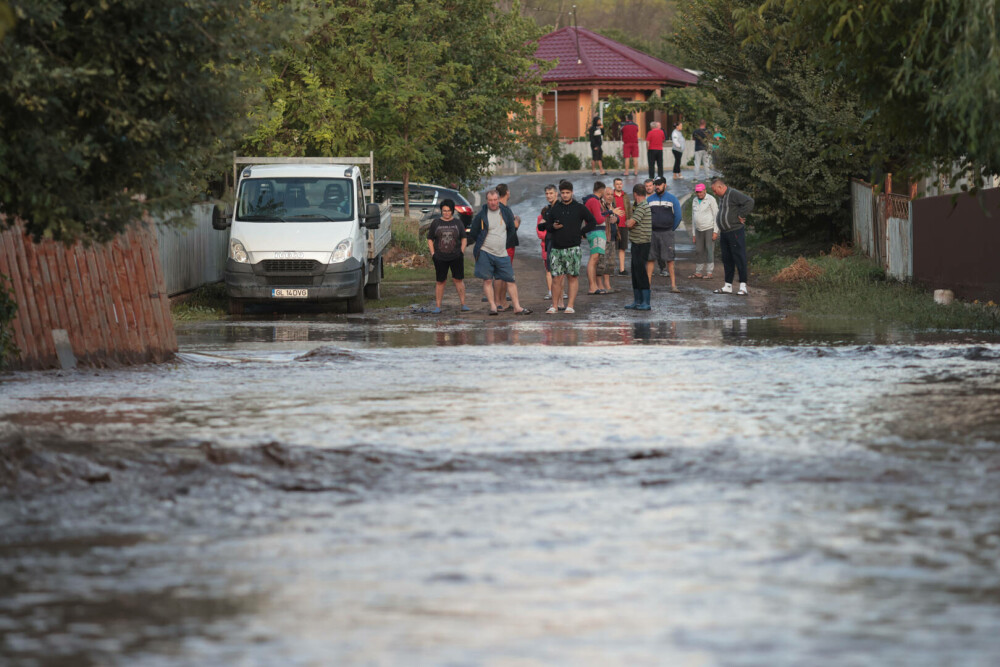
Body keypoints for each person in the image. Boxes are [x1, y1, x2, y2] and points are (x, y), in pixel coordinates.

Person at [539, 180, 597, 314]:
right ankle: (554, 306)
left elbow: (593, 221)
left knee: (572, 277)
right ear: (560, 193)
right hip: (556, 248)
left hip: (573, 248)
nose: (565, 195)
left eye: (567, 193)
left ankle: (570, 306)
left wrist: (581, 232)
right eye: (563, 193)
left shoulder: (579, 207)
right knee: (556, 278)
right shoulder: (555, 208)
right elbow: (543, 226)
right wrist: (552, 227)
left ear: (572, 193)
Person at [469, 190, 531, 315]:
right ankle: (493, 306)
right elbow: (473, 232)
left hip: (502, 252)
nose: (493, 203)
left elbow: (512, 229)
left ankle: (517, 307)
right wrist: (482, 245)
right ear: (487, 200)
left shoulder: (505, 212)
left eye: (495, 200)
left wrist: (505, 243)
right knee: (487, 280)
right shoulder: (482, 214)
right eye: (490, 200)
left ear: (498, 199)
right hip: (485, 252)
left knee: (510, 280)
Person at [710, 176, 754, 296]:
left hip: (735, 231)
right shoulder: (721, 197)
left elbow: (749, 202)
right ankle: (728, 285)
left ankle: (743, 286)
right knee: (727, 259)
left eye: (715, 190)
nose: (714, 193)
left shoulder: (733, 193)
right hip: (724, 233)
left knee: (739, 257)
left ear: (721, 186)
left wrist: (741, 214)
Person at [426, 199, 469, 313]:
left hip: (456, 256)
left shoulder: (458, 223)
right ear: (441, 211)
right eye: (444, 211)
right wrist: (433, 254)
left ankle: (463, 304)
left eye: (448, 211)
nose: (446, 213)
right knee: (440, 281)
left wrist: (462, 251)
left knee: (458, 279)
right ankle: (438, 306)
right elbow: (430, 239)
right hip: (440, 257)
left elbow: (464, 238)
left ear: (452, 211)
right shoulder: (436, 223)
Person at [647, 177, 682, 292]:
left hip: (667, 233)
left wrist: (671, 229)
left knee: (670, 260)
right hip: (653, 233)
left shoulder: (672, 199)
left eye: (659, 184)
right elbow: (645, 216)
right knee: (650, 259)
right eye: (655, 184)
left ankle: (673, 285)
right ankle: (647, 286)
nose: (657, 186)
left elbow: (678, 216)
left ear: (665, 185)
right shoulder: (650, 200)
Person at [624, 183, 652, 311]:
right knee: (635, 272)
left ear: (635, 194)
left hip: (642, 243)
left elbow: (631, 223)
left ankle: (645, 301)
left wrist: (624, 221)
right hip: (636, 242)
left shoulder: (642, 206)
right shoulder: (638, 206)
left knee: (641, 272)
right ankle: (637, 300)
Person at [493, 183, 521, 308]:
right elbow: (513, 226)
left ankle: (502, 301)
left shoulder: (500, 208)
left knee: (502, 274)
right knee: (502, 274)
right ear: (507, 193)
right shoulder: (502, 209)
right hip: (505, 244)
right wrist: (517, 220)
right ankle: (498, 302)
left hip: (503, 243)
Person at [581, 181, 609, 295]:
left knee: (595, 259)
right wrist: (608, 213)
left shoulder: (592, 200)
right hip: (596, 232)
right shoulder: (594, 201)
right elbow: (598, 219)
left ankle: (594, 286)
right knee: (594, 259)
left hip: (596, 232)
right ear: (602, 190)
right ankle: (592, 286)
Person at [689, 183, 719, 279]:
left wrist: (715, 231)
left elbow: (716, 215)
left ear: (705, 191)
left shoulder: (711, 199)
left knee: (709, 250)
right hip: (698, 229)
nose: (699, 194)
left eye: (700, 192)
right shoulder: (694, 200)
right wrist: (693, 233)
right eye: (697, 192)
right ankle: (698, 271)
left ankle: (709, 272)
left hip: (709, 228)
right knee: (698, 250)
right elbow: (693, 217)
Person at [597, 186, 623, 292]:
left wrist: (616, 219)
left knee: (609, 263)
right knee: (600, 263)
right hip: (602, 237)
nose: (610, 196)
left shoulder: (613, 206)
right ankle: (600, 286)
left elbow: (619, 218)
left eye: (612, 194)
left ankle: (607, 285)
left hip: (612, 237)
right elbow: (598, 218)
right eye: (608, 194)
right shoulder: (599, 205)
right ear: (603, 195)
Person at [537, 184, 559, 303]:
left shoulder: (559, 207)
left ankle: (560, 302)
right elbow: (540, 226)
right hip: (549, 242)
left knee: (560, 273)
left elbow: (558, 225)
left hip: (559, 243)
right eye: (547, 193)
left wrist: (546, 225)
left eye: (551, 193)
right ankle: (556, 302)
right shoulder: (548, 209)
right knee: (552, 272)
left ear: (556, 194)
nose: (549, 196)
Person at [612, 178, 633, 275]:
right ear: (614, 185)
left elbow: (629, 209)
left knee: (622, 248)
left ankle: (622, 269)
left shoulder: (626, 196)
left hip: (624, 225)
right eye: (617, 184)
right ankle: (610, 269)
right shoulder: (611, 196)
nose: (619, 185)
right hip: (613, 225)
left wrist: (630, 220)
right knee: (611, 248)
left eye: (620, 184)